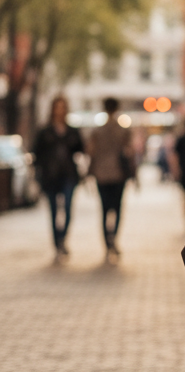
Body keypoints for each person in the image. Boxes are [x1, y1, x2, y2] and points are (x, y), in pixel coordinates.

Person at [33, 96, 84, 261]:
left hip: (69, 175)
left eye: (63, 107)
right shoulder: (45, 131)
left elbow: (81, 150)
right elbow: (37, 155)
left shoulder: (72, 131)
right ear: (53, 109)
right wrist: (38, 174)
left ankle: (62, 239)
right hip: (50, 176)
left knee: (68, 209)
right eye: (57, 107)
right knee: (54, 211)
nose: (60, 110)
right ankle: (57, 244)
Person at [87, 98, 134, 261]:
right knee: (118, 208)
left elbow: (91, 153)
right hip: (118, 174)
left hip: (101, 174)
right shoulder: (123, 131)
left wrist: (89, 173)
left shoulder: (96, 131)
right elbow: (130, 154)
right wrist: (134, 175)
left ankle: (107, 243)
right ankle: (114, 238)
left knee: (104, 209)